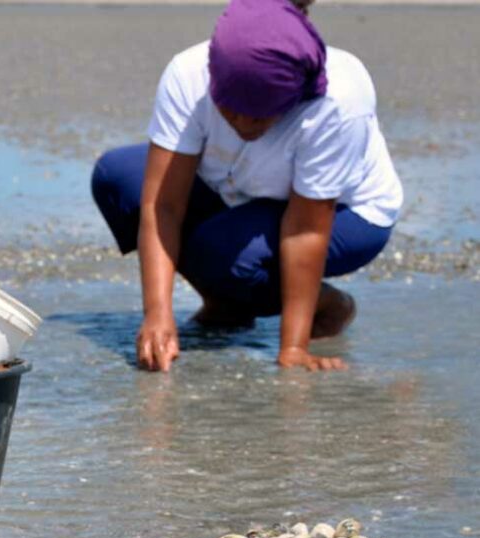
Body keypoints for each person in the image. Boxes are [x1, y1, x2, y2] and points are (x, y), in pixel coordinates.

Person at [90, 0, 402, 373]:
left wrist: (293, 348)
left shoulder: (338, 101)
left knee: (223, 254)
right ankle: (226, 307)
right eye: (229, 108)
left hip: (345, 214)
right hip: (242, 189)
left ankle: (327, 304)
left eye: (261, 114)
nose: (243, 123)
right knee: (119, 178)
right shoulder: (189, 74)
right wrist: (157, 315)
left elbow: (304, 230)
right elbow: (164, 205)